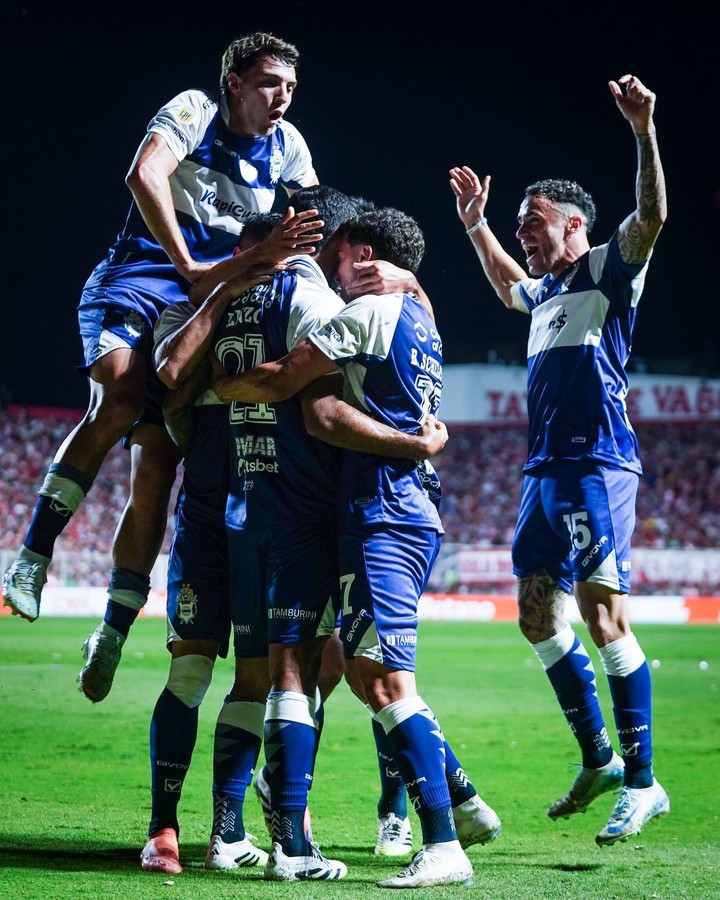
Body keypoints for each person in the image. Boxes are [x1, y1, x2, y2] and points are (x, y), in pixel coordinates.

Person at [2, 32, 320, 707]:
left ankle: (113, 631)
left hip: (204, 307)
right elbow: (144, 174)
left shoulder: (289, 147)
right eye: (269, 83)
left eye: (290, 87)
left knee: (157, 465)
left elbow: (318, 222)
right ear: (234, 81)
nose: (281, 98)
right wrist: (190, 265)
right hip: (141, 278)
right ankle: (30, 557)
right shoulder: (196, 110)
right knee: (118, 400)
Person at [212, 207, 502, 889]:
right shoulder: (422, 316)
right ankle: (453, 809)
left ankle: (443, 837)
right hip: (396, 510)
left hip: (381, 511)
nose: (332, 275)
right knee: (366, 670)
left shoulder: (369, 313)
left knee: (382, 678)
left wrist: (226, 384)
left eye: (338, 257)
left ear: (362, 255)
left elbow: (300, 392)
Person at [448, 74, 669, 847]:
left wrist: (642, 131)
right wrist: (476, 227)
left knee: (606, 619)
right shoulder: (543, 296)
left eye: (530, 222)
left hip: (596, 466)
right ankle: (600, 757)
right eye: (518, 224)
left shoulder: (609, 271)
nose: (523, 235)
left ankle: (644, 784)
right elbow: (507, 281)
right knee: (537, 613)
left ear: (573, 223)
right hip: (541, 474)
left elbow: (653, 216)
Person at [140, 210, 322, 875]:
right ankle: (162, 828)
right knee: (190, 670)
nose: (273, 264)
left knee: (265, 675)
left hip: (262, 514)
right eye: (263, 252)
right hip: (206, 513)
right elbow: (170, 380)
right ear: (241, 252)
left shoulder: (287, 304)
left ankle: (233, 827)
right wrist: (223, 296)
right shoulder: (192, 307)